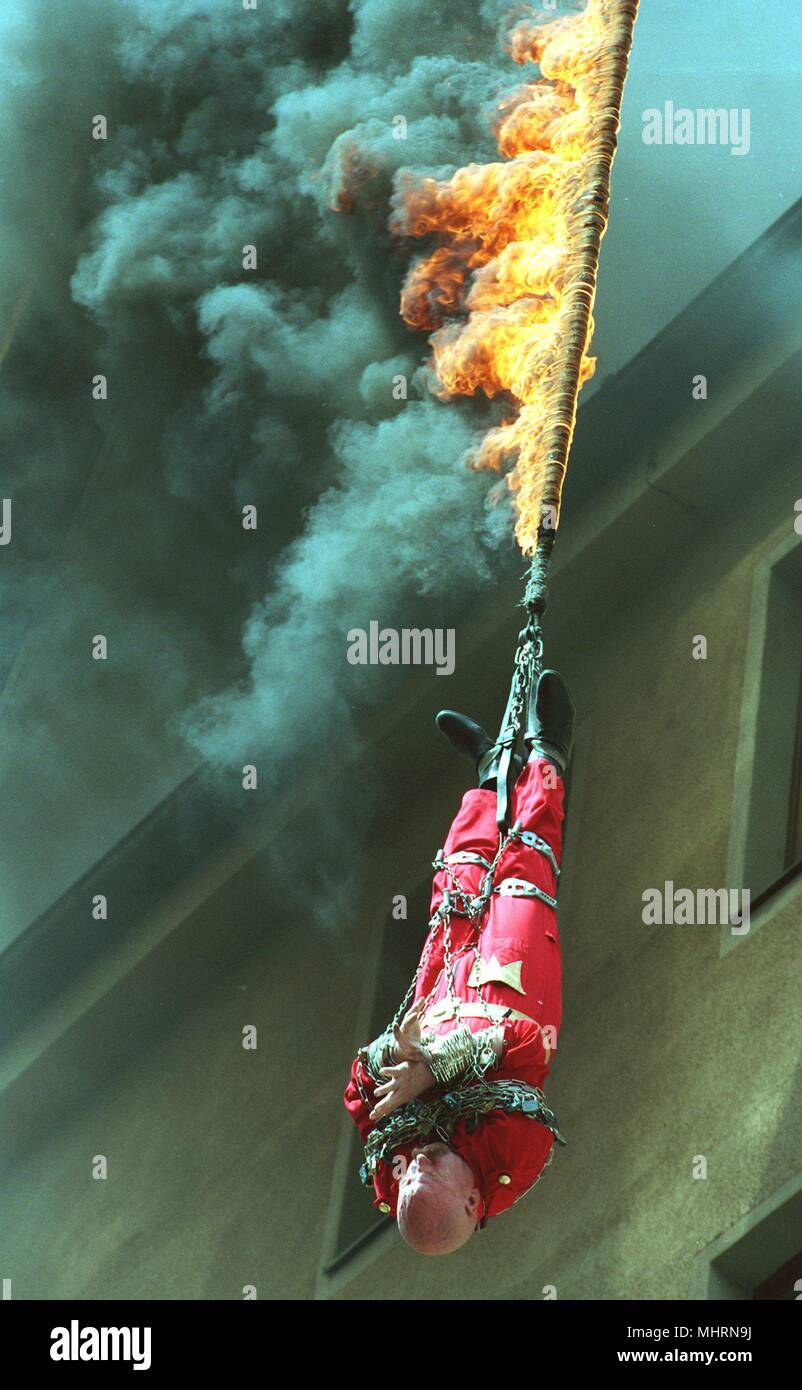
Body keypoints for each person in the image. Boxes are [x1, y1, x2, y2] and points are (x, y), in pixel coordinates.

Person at [343, 669, 575, 1256]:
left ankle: (489, 768)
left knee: (456, 882)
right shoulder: (513, 1156)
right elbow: (525, 1044)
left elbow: (357, 1091)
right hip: (510, 991)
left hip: (440, 1001)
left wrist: (396, 1054)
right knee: (524, 871)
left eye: (407, 1177)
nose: (414, 1162)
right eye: (430, 1171)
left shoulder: (389, 1171)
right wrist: (436, 1072)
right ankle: (549, 749)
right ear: (473, 1203)